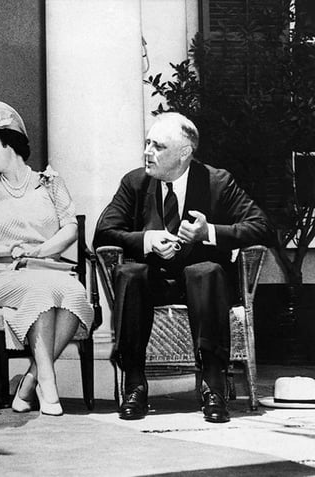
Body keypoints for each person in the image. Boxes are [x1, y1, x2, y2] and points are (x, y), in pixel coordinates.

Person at [94, 112, 272, 423]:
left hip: (202, 285)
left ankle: (213, 385)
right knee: (130, 273)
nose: (148, 152)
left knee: (205, 271)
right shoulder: (135, 182)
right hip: (155, 284)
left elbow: (261, 226)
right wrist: (146, 239)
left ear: (184, 153)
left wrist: (210, 233)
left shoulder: (217, 181)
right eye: (147, 143)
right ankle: (135, 384)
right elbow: (104, 232)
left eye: (158, 146)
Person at [0, 100, 94, 416]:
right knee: (43, 291)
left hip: (49, 267)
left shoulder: (50, 182)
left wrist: (40, 250)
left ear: (10, 143)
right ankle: (49, 388)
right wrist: (9, 250)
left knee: (75, 293)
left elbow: (70, 229)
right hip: (7, 275)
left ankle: (29, 381)